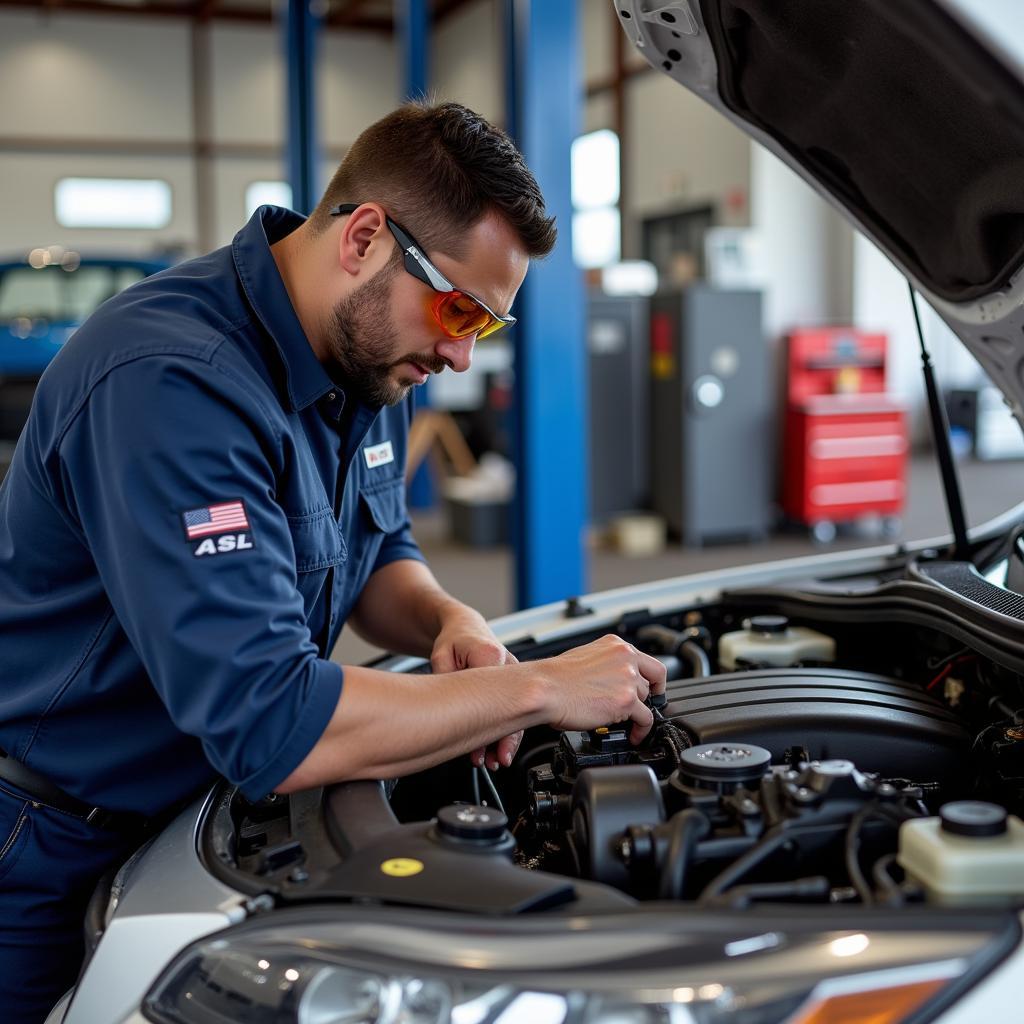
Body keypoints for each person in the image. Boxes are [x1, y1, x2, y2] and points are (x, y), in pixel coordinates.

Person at [0, 101, 665, 1021]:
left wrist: (447, 619)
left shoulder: (364, 357)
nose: (461, 357)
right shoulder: (167, 382)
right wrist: (541, 688)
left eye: (488, 326)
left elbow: (375, 552)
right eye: (458, 309)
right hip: (48, 849)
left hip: (194, 819)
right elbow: (272, 719)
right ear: (363, 238)